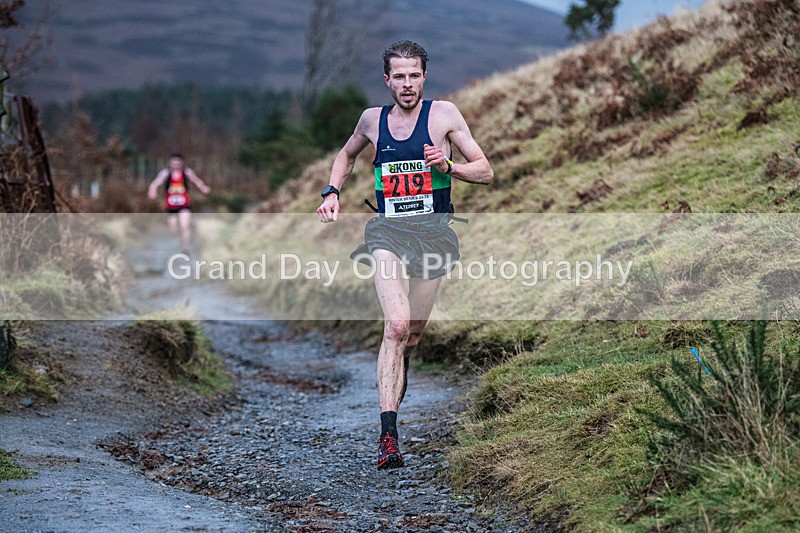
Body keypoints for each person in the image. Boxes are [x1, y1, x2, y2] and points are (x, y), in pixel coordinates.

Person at [316, 40, 493, 469]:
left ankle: (398, 369)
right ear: (387, 80)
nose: (408, 83)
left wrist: (449, 167)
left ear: (424, 77)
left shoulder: (444, 115)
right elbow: (347, 154)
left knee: (411, 336)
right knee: (395, 325)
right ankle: (388, 437)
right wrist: (332, 191)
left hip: (433, 237)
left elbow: (485, 170)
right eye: (400, 76)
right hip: (388, 234)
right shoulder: (372, 120)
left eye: (414, 75)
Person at [147, 153, 211, 254]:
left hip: (184, 204)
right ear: (170, 162)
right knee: (173, 229)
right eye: (174, 161)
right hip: (171, 205)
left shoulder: (187, 172)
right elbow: (155, 183)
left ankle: (186, 248)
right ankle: (177, 243)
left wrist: (203, 188)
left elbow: (196, 181)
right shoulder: (165, 173)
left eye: (178, 161)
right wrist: (152, 191)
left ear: (182, 162)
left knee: (184, 226)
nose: (176, 163)